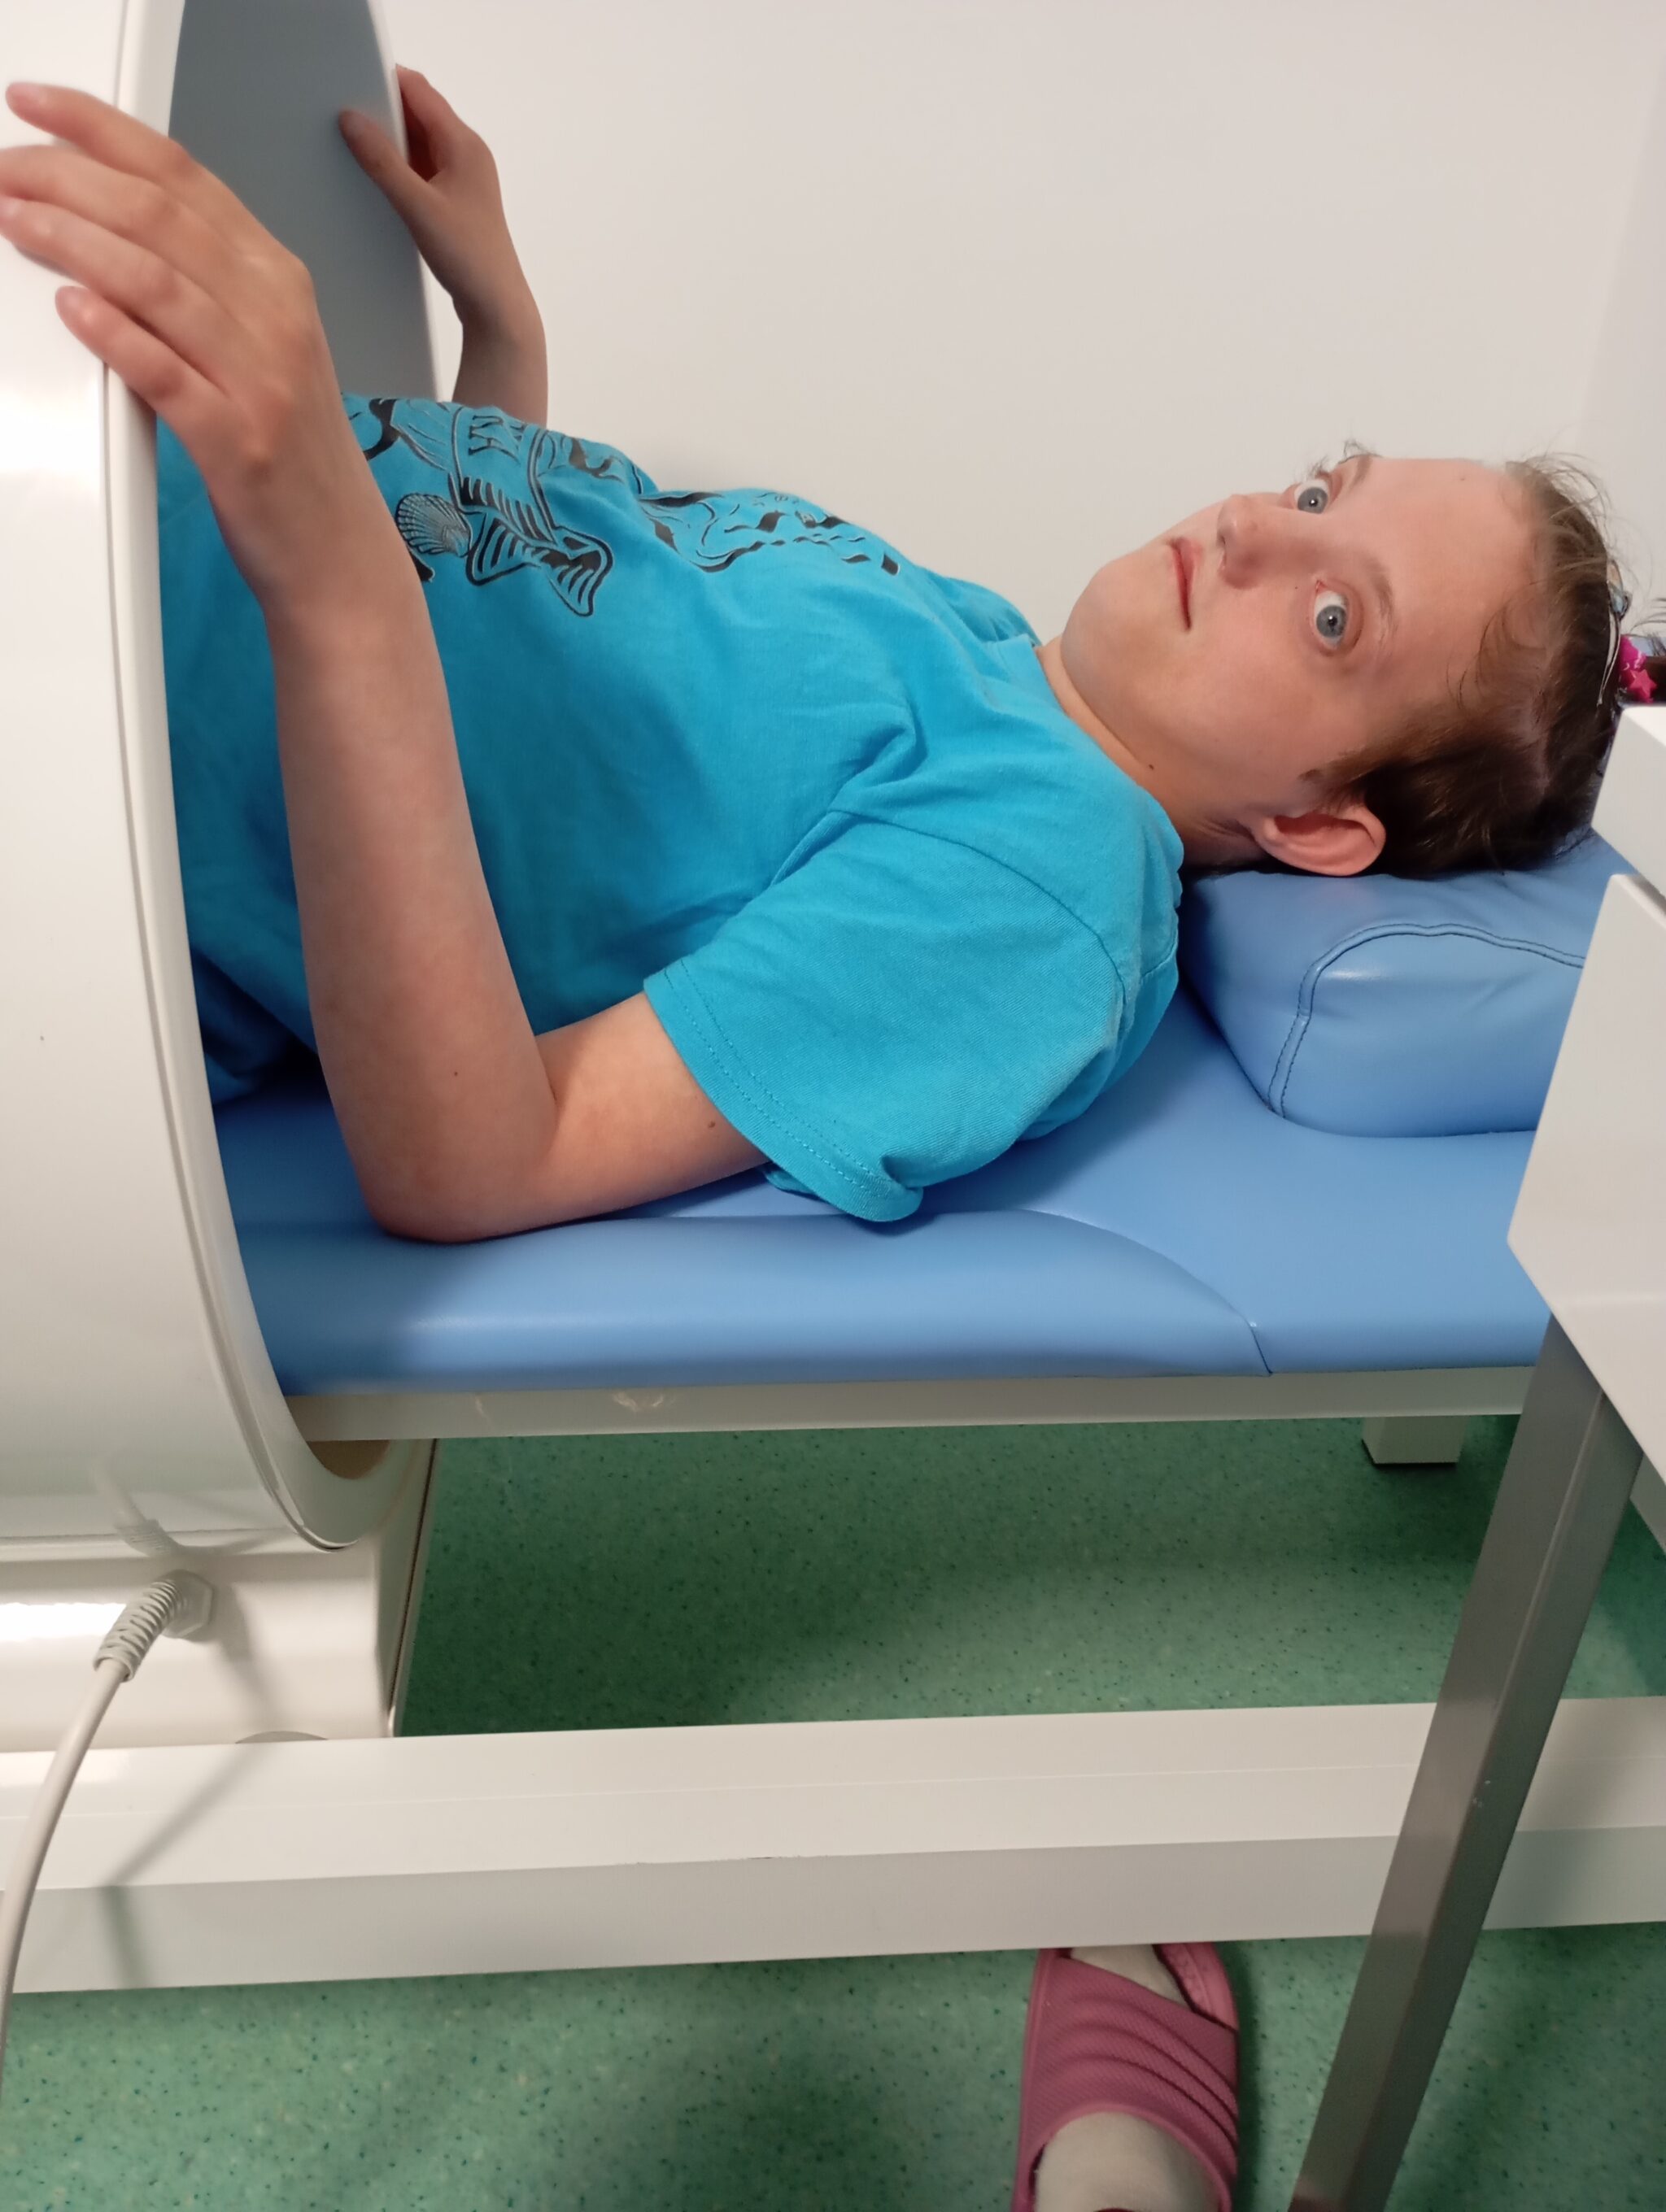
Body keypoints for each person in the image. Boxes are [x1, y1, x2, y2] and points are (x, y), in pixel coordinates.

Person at [1, 69, 1655, 2212]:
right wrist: (502, 337)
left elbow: (476, 1160)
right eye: (1317, 484)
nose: (1255, 530)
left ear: (1324, 827)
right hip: (132, 518)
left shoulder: (1045, 883)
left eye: (1334, 614)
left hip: (82, 701)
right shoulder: (979, 640)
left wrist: (321, 539)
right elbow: (550, 626)